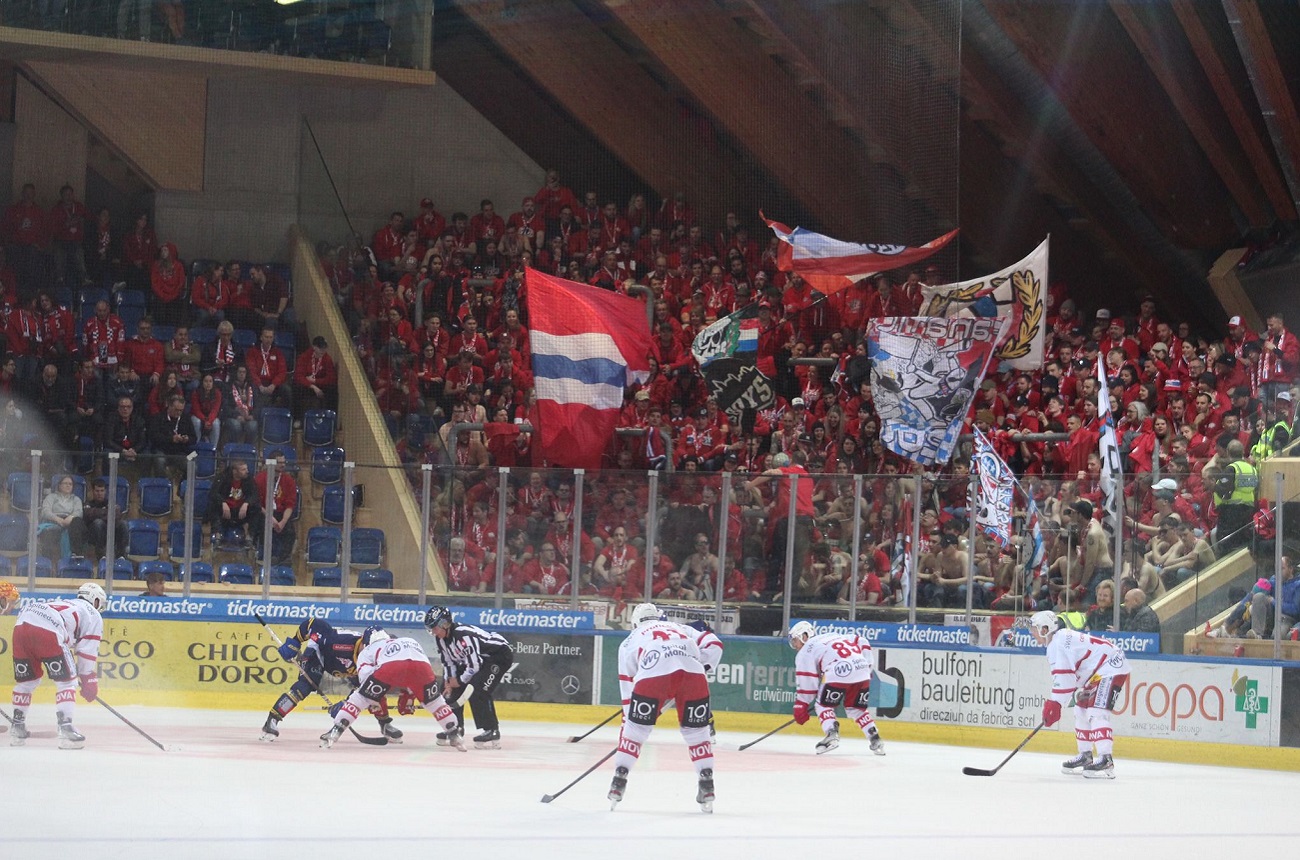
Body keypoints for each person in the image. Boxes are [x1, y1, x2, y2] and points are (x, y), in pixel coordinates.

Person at [608, 603, 716, 812]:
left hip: (653, 674)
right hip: (693, 674)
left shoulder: (629, 641)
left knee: (636, 731)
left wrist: (629, 721)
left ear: (635, 622)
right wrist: (697, 665)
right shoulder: (678, 627)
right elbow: (711, 644)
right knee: (697, 732)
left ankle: (619, 779)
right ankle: (707, 781)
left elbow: (627, 686)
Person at [319, 627, 463, 750]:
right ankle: (454, 734)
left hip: (391, 668)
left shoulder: (367, 650)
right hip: (422, 668)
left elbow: (366, 682)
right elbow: (415, 669)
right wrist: (409, 697)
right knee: (435, 703)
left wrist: (361, 703)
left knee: (360, 698)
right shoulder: (407, 641)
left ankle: (336, 730)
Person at [263, 618, 404, 743]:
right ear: (363, 643)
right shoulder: (340, 641)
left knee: (374, 690)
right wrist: (295, 641)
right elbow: (313, 623)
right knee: (304, 686)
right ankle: (272, 719)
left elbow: (363, 691)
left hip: (349, 670)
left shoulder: (378, 660)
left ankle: (385, 724)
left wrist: (345, 705)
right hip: (320, 655)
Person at [1029, 609, 1130, 779]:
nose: (1032, 633)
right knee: (1081, 710)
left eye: (1034, 628)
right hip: (1099, 671)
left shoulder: (1057, 644)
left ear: (1044, 629)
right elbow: (1069, 676)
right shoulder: (1058, 640)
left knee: (1097, 712)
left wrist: (1055, 704)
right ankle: (1085, 755)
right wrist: (1059, 701)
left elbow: (1065, 679)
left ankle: (1106, 758)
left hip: (1110, 666)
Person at [10, 582, 104, 749]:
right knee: (67, 682)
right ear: (96, 601)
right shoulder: (93, 614)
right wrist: (88, 679)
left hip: (22, 624)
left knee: (27, 682)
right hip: (49, 628)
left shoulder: (66, 603)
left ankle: (17, 728)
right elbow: (87, 652)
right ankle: (66, 729)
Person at [787, 620, 885, 756]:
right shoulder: (834, 635)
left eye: (795, 641)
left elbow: (807, 681)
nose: (795, 646)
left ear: (804, 636)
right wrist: (867, 667)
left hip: (839, 670)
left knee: (822, 705)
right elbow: (861, 640)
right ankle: (875, 738)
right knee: (856, 708)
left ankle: (831, 734)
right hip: (861, 667)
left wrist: (801, 703)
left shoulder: (806, 650)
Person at [425, 605, 513, 749]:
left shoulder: (463, 635)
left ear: (445, 624)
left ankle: (492, 730)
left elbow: (475, 665)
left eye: (434, 628)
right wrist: (448, 682)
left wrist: (459, 681)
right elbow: (448, 662)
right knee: (448, 690)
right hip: (478, 660)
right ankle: (455, 727)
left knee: (478, 691)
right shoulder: (440, 639)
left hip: (498, 656)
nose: (433, 632)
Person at [38, 475, 88, 560]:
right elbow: (45, 511)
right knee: (48, 532)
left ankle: (76, 554)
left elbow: (78, 512)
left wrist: (70, 518)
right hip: (54, 521)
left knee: (77, 521)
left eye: (70, 484)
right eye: (65, 483)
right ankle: (46, 560)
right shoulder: (51, 497)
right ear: (59, 485)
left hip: (71, 522)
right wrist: (58, 519)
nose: (68, 485)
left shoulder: (76, 499)